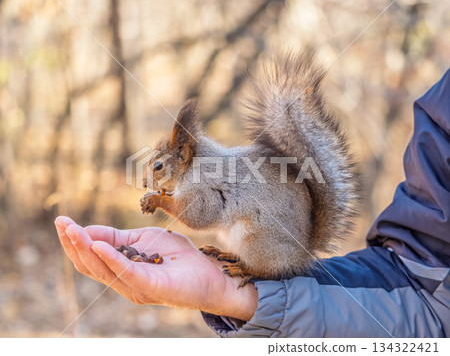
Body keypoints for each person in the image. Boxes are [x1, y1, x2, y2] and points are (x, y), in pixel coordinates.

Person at [55, 69, 450, 337]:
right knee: (241, 223)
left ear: (184, 154)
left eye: (159, 168)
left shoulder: (203, 173)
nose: (153, 177)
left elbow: (201, 214)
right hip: (283, 241)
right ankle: (244, 263)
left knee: (247, 224)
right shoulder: (207, 169)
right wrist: (225, 297)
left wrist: (162, 201)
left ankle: (248, 264)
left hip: (275, 244)